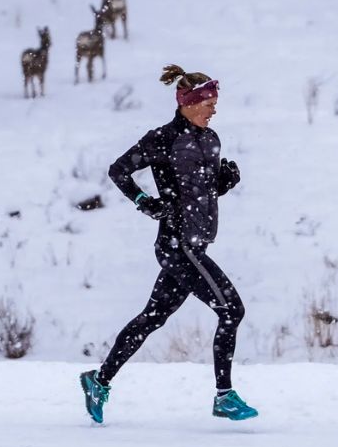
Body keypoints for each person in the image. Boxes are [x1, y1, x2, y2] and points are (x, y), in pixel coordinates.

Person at [79, 64, 258, 423]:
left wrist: (224, 182)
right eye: (209, 103)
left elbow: (201, 191)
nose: (214, 109)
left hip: (196, 244)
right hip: (178, 245)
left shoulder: (211, 139)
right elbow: (119, 170)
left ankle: (98, 380)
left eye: (215, 103)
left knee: (152, 318)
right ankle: (224, 396)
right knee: (231, 310)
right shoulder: (163, 138)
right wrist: (144, 202)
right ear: (188, 103)